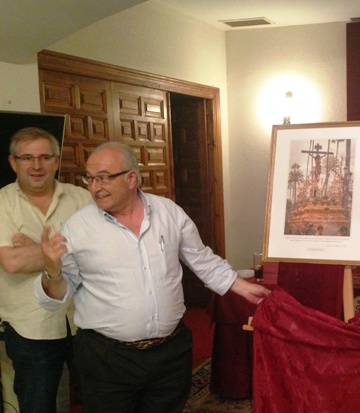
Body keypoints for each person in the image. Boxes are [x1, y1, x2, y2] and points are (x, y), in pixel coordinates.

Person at [34, 141, 270, 413]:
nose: (95, 187)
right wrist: (52, 271)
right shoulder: (78, 226)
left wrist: (241, 286)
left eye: (104, 178)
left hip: (170, 354)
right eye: (90, 178)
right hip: (107, 358)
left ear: (131, 178)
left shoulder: (168, 212)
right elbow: (57, 296)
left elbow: (200, 258)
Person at [0, 127, 92, 413]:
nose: (36, 166)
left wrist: (34, 249)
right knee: (37, 406)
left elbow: (100, 252)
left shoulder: (83, 199)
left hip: (86, 322)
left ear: (56, 160)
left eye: (44, 157)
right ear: (13, 162)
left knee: (102, 401)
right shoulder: (2, 203)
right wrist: (70, 248)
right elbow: (11, 263)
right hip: (30, 328)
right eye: (27, 158)